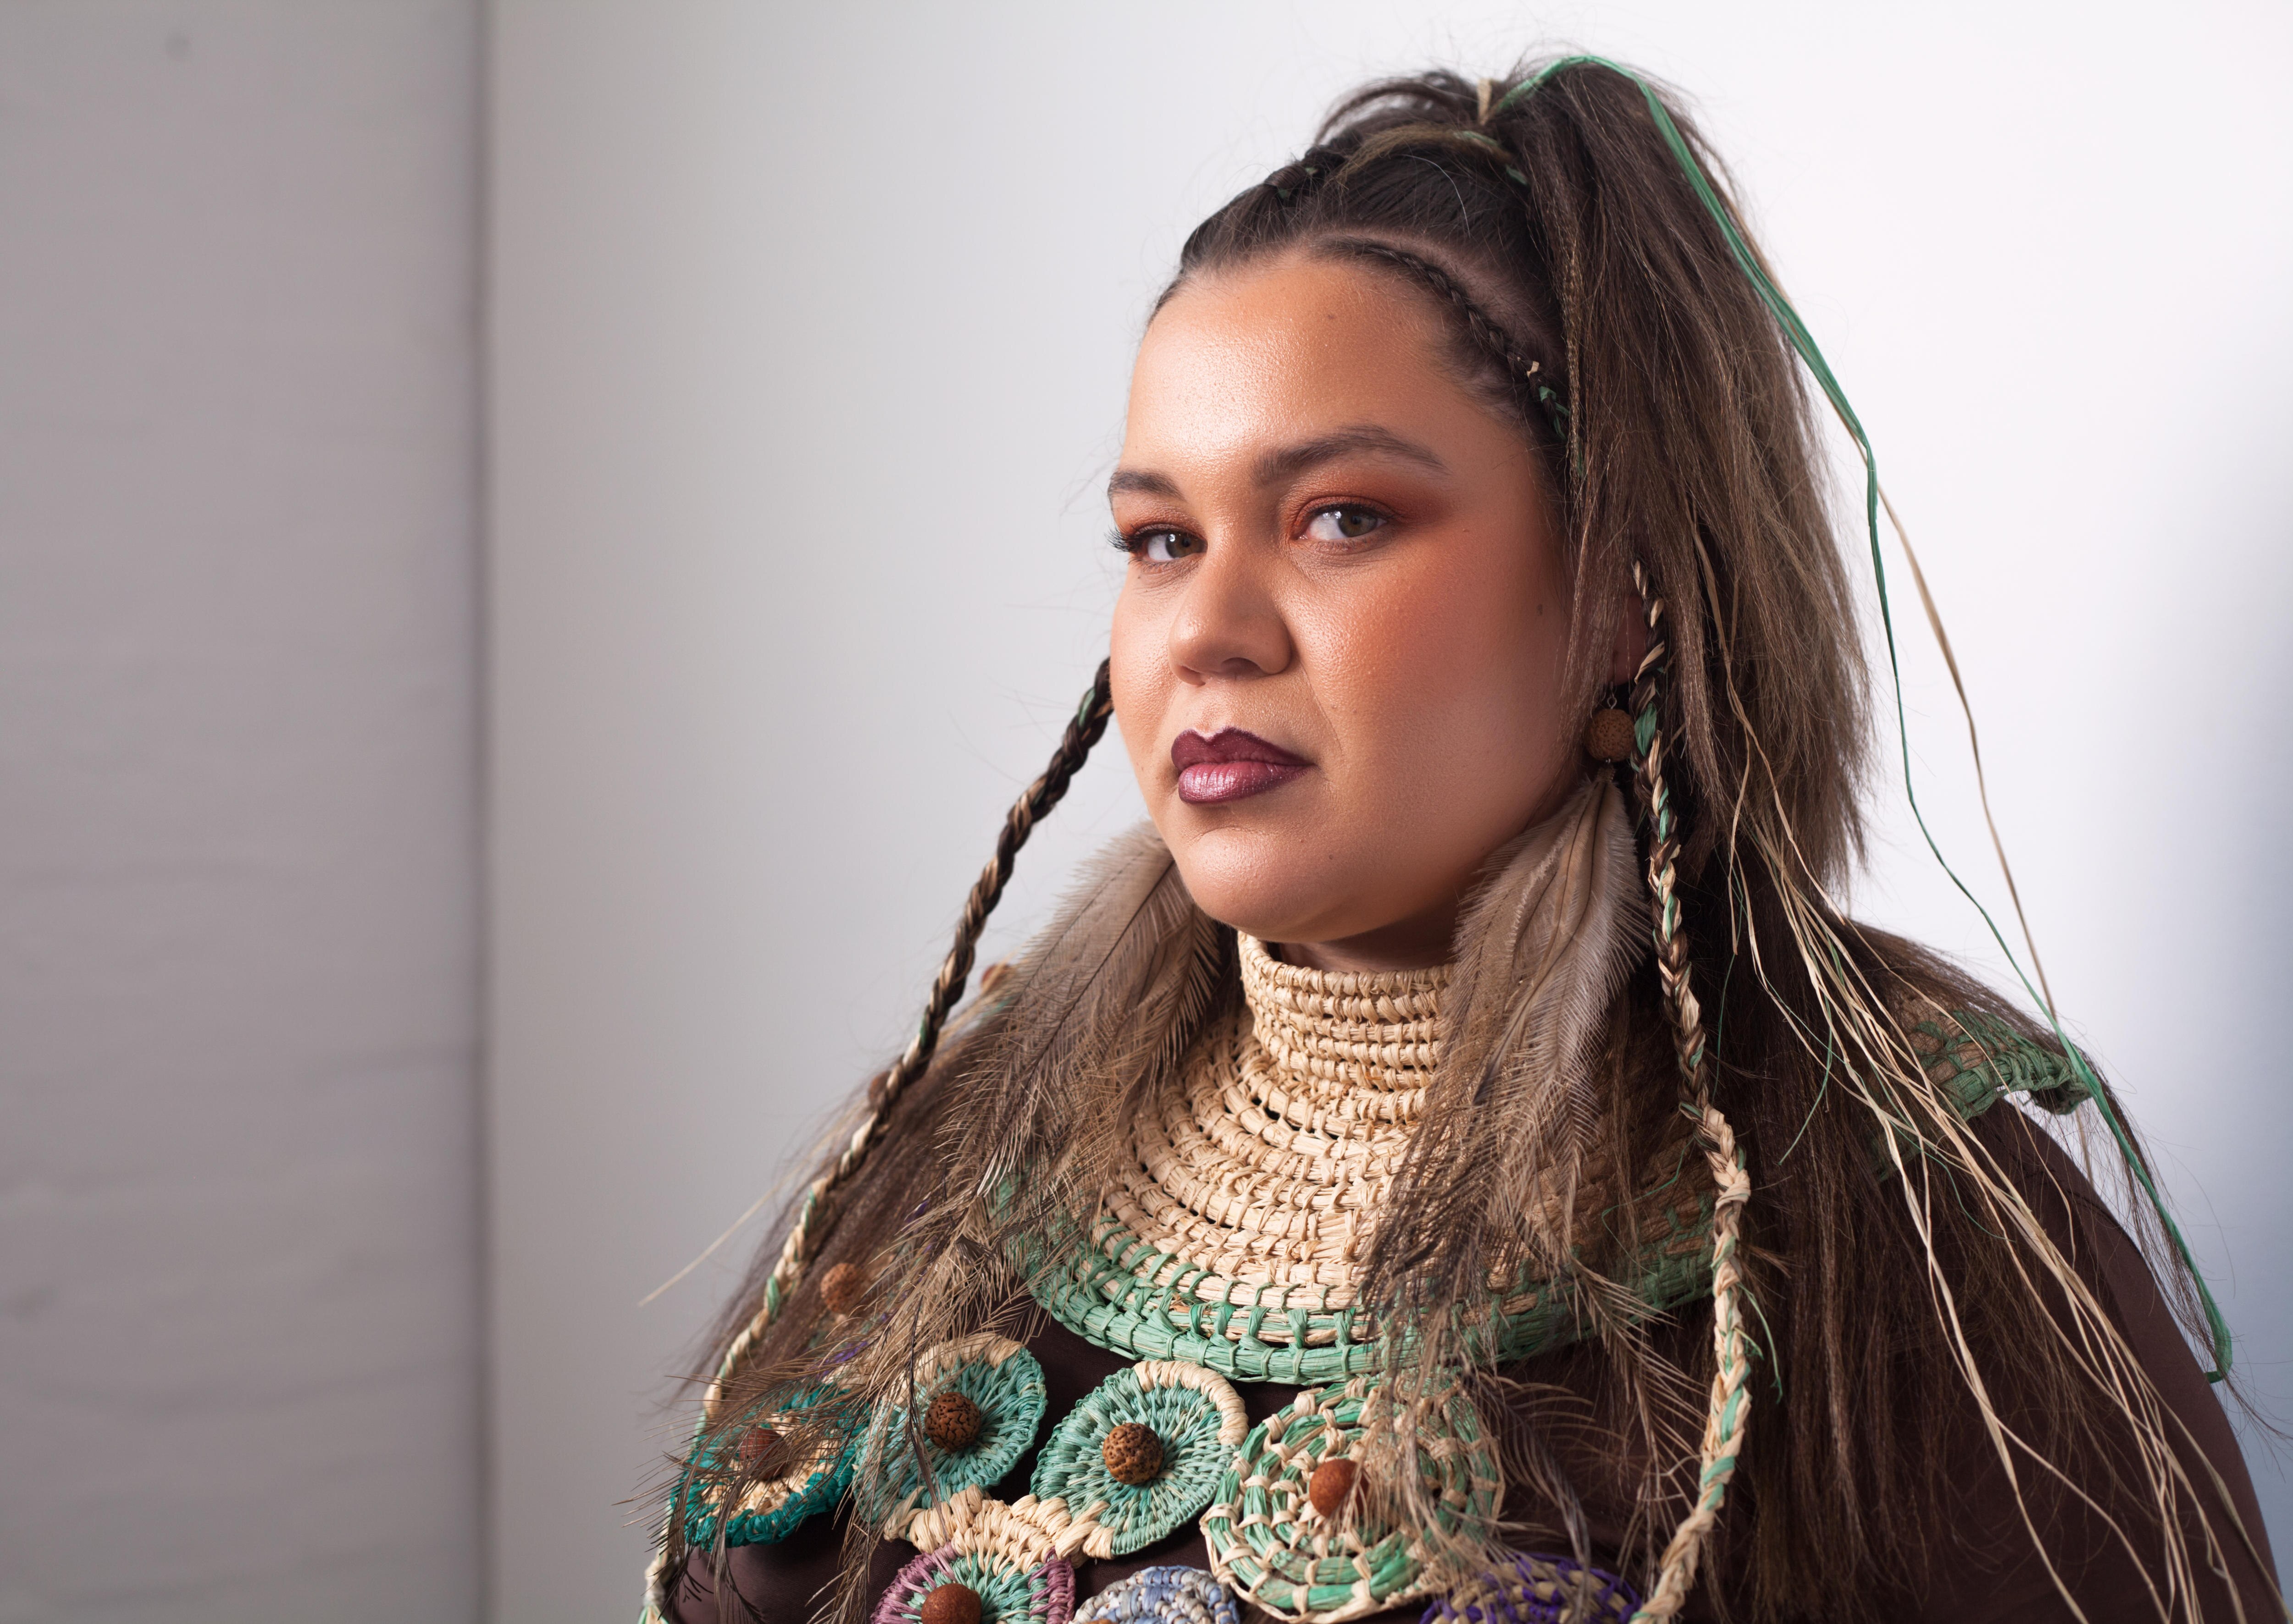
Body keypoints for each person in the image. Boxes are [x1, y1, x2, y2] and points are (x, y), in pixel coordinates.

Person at [640, 55, 2281, 1624]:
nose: (1207, 628)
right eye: (1158, 537)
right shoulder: (964, 1150)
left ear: (1627, 586)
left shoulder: (1898, 1229)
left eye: (1341, 518)